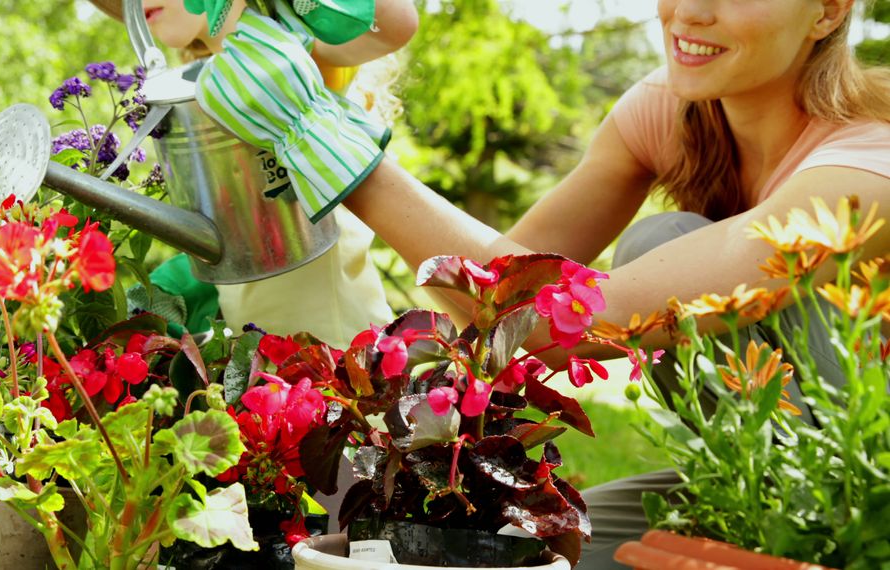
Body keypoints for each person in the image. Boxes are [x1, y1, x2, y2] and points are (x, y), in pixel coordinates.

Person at [191, 0, 890, 566]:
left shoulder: (868, 164)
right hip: (748, 477)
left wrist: (329, 145)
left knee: (659, 241)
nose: (687, 13)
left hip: (860, 488)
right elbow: (494, 292)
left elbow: (586, 321)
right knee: (533, 552)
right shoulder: (672, 112)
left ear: (828, 11)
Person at [87, 0, 419, 346]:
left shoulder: (287, 49)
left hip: (346, 361)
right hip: (265, 373)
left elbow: (397, 21)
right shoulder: (205, 89)